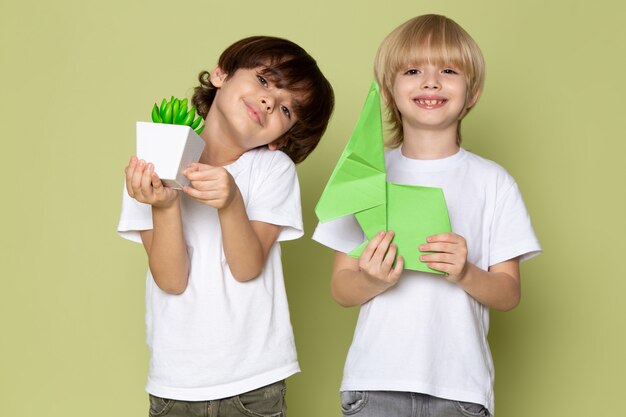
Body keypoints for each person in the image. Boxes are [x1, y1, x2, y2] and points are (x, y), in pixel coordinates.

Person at [313, 14, 540, 416]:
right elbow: (340, 289)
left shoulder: (493, 182)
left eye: (448, 70)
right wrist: (370, 279)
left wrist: (466, 272)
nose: (430, 82)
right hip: (374, 383)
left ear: (472, 92)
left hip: (460, 389)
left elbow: (509, 294)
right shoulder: (363, 174)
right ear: (389, 90)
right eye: (413, 70)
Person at [118, 36, 334, 417]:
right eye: (265, 80)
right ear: (221, 74)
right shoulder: (154, 158)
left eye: (286, 109)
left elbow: (247, 267)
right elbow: (170, 280)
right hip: (174, 383)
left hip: (253, 383)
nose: (270, 101)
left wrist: (232, 202)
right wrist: (166, 205)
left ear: (280, 138)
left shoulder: (271, 169)